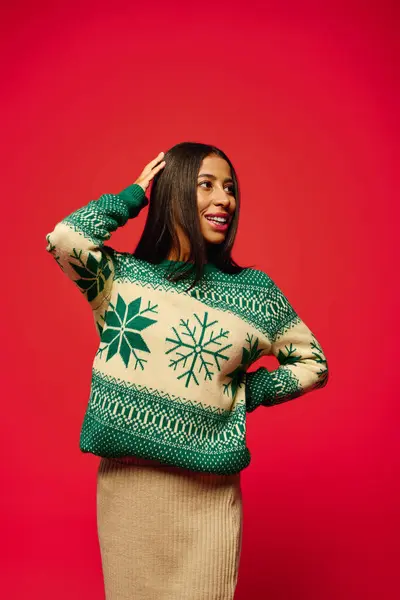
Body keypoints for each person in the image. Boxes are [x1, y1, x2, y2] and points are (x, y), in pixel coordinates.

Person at [45, 141, 329, 599]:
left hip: (207, 501)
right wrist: (133, 195)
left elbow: (313, 363)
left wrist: (248, 392)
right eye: (207, 185)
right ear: (174, 192)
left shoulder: (254, 293)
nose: (225, 200)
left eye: (230, 189)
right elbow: (65, 239)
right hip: (128, 496)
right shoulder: (120, 279)